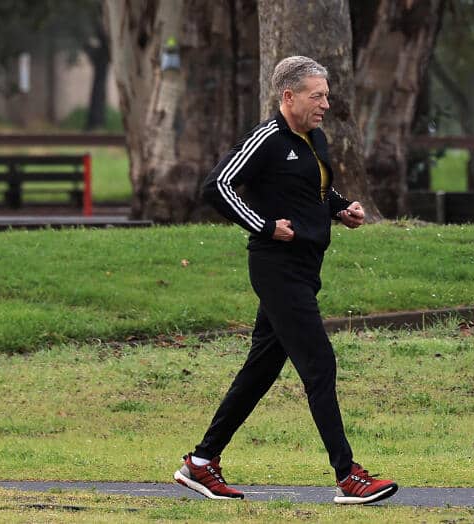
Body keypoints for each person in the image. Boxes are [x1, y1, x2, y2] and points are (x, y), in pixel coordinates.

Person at [174, 56, 398, 505]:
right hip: (277, 268)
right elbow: (216, 185)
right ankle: (347, 476)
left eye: (327, 95)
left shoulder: (314, 138)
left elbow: (314, 189)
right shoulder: (266, 139)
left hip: (305, 268)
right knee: (319, 364)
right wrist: (263, 226)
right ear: (288, 96)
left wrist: (341, 207)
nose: (325, 104)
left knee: (260, 370)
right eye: (317, 96)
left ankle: (200, 463)